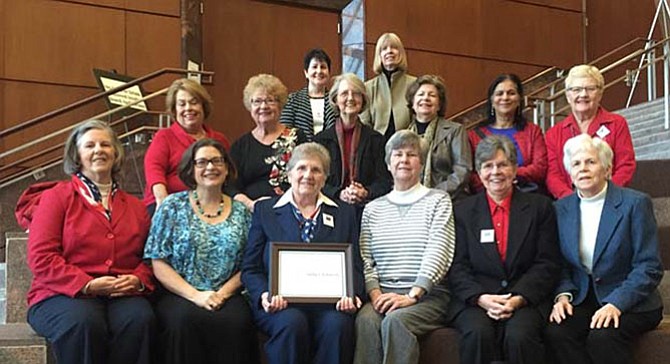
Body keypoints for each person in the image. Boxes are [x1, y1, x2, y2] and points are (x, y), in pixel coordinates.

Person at [26, 120, 155, 364]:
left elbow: (149, 257)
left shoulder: (137, 207)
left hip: (121, 292)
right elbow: (41, 257)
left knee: (140, 319)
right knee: (83, 323)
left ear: (115, 153)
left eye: (105, 144)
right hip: (61, 293)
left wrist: (138, 279)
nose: (99, 150)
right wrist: (87, 285)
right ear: (77, 155)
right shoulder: (57, 197)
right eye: (90, 145)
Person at [241, 142, 365, 364]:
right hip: (279, 304)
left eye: (316, 170)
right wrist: (264, 295)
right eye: (302, 168)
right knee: (291, 322)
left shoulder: (345, 213)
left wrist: (352, 295)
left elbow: (355, 264)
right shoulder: (266, 210)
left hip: (330, 304)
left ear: (325, 178)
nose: (308, 175)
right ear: (289, 174)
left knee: (337, 325)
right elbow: (251, 268)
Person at [545, 134, 664, 364]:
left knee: (603, 336)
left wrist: (616, 303)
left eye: (591, 162)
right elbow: (558, 264)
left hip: (632, 299)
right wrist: (562, 296)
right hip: (584, 296)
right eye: (576, 164)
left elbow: (649, 266)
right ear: (569, 173)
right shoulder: (560, 209)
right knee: (557, 332)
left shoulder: (635, 204)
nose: (583, 169)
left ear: (607, 168)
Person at [445, 135, 561, 364]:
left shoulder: (540, 207)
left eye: (502, 165)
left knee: (520, 336)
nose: (495, 172)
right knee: (477, 333)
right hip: (477, 298)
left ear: (515, 169)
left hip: (524, 297)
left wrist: (518, 298)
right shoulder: (463, 211)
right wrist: (480, 298)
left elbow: (547, 263)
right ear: (478, 172)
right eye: (488, 166)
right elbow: (457, 265)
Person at [144, 138, 257, 364]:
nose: (210, 167)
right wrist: (195, 296)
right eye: (202, 162)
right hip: (180, 293)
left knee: (238, 322)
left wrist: (222, 294)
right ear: (190, 169)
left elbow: (249, 264)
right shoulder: (171, 206)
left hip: (227, 293)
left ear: (227, 168)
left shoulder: (242, 212)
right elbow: (158, 262)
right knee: (182, 321)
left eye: (217, 161)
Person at [354, 130, 455, 364]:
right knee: (366, 320)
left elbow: (439, 251)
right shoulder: (373, 209)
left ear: (421, 163)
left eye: (412, 154)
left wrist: (413, 295)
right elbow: (365, 257)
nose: (404, 160)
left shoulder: (438, 201)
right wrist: (376, 294)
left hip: (428, 297)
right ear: (388, 164)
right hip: (384, 292)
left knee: (396, 321)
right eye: (397, 154)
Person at [545, 65, 636, 199]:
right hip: (570, 202)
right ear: (567, 95)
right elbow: (552, 175)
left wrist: (606, 195)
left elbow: (626, 165)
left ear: (600, 93)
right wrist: (572, 200)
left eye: (590, 89)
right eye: (576, 89)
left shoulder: (617, 124)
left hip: (611, 199)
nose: (583, 94)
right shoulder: (554, 133)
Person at [143, 78, 230, 215]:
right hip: (170, 206)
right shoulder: (165, 136)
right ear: (174, 110)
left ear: (203, 106)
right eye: (182, 104)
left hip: (209, 206)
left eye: (194, 102)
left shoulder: (219, 140)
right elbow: (154, 169)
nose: (188, 108)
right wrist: (163, 201)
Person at [314, 73, 391, 210]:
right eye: (344, 93)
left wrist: (366, 192)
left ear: (363, 100)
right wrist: (339, 193)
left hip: (368, 208)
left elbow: (384, 182)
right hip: (330, 207)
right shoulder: (321, 140)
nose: (350, 98)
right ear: (336, 100)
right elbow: (315, 179)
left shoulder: (376, 140)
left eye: (356, 93)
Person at [230, 74, 307, 211]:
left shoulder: (297, 138)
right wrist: (250, 204)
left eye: (270, 101)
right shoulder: (240, 146)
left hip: (290, 210)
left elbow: (307, 177)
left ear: (280, 105)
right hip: (250, 212)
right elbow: (230, 186)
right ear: (250, 106)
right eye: (257, 101)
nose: (263, 106)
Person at [468, 74, 547, 194]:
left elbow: (540, 169)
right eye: (499, 93)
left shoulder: (532, 131)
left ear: (519, 99)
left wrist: (506, 176)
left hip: (527, 198)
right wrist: (498, 184)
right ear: (492, 101)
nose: (505, 97)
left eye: (511, 93)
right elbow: (472, 175)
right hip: (487, 200)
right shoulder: (474, 136)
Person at [406, 74, 471, 201]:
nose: (426, 98)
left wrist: (432, 195)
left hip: (448, 201)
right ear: (412, 104)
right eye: (420, 94)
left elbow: (462, 171)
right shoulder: (404, 135)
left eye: (432, 95)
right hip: (411, 202)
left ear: (439, 105)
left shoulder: (455, 130)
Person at [360, 32, 417, 140]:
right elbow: (364, 123)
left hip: (406, 145)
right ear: (379, 55)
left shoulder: (414, 84)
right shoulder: (368, 87)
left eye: (394, 48)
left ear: (401, 53)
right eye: (384, 49)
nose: (389, 51)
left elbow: (418, 120)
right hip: (375, 146)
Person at [280, 48, 337, 141]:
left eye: (323, 67)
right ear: (306, 73)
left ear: (329, 72)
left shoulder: (335, 101)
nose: (319, 71)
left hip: (329, 153)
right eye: (314, 67)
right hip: (300, 153)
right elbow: (285, 131)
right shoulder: (292, 100)